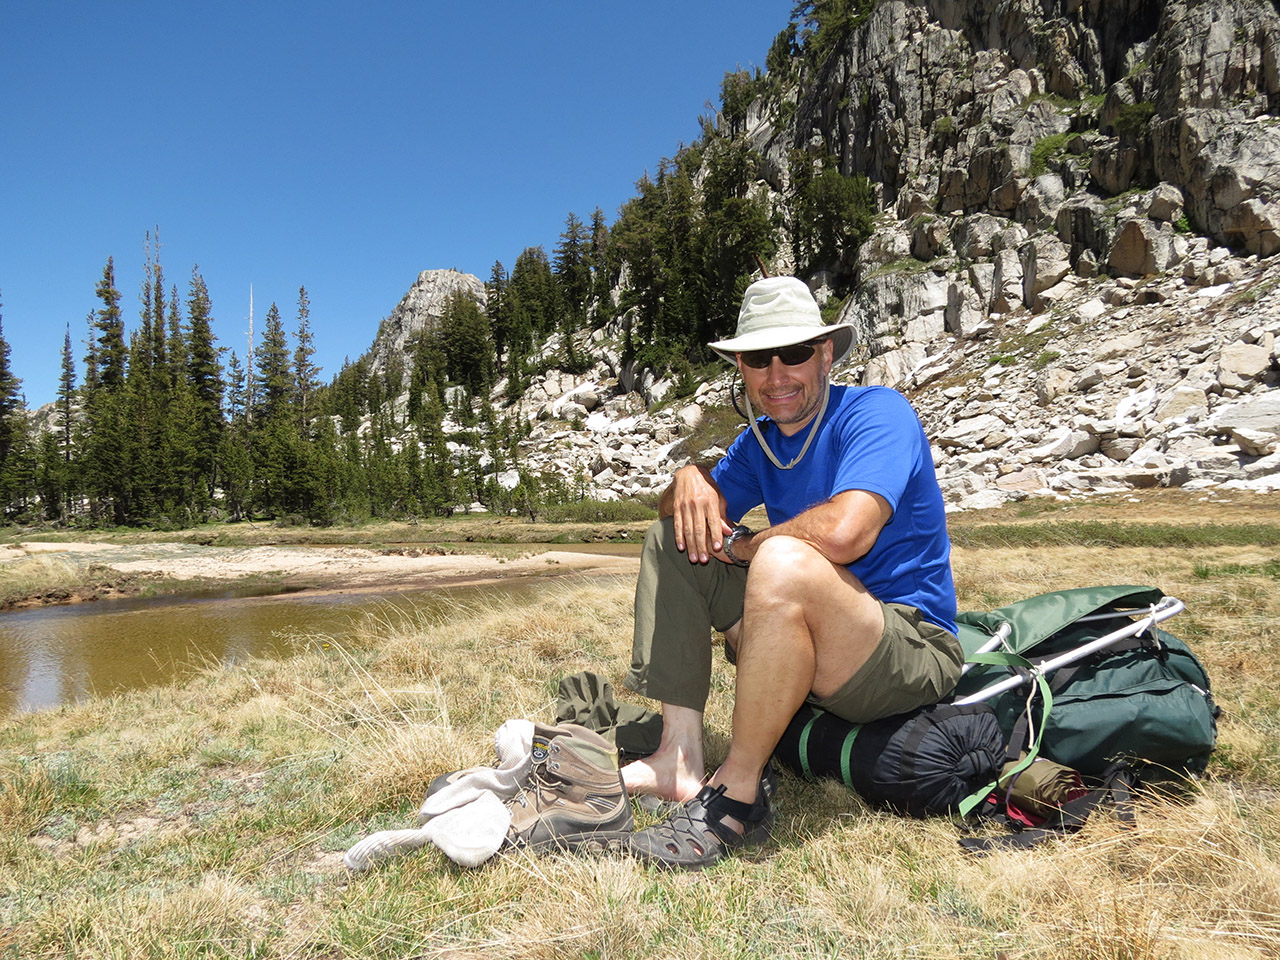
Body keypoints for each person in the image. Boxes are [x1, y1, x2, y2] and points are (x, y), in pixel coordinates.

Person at [621, 275, 962, 869]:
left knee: (781, 558)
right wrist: (688, 478)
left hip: (909, 648)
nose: (776, 375)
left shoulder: (877, 413)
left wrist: (751, 548)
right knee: (672, 539)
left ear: (825, 354)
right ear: (741, 368)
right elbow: (683, 514)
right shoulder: (758, 443)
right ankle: (679, 758)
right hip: (822, 635)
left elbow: (845, 533)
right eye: (758, 358)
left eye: (795, 353)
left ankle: (739, 795)